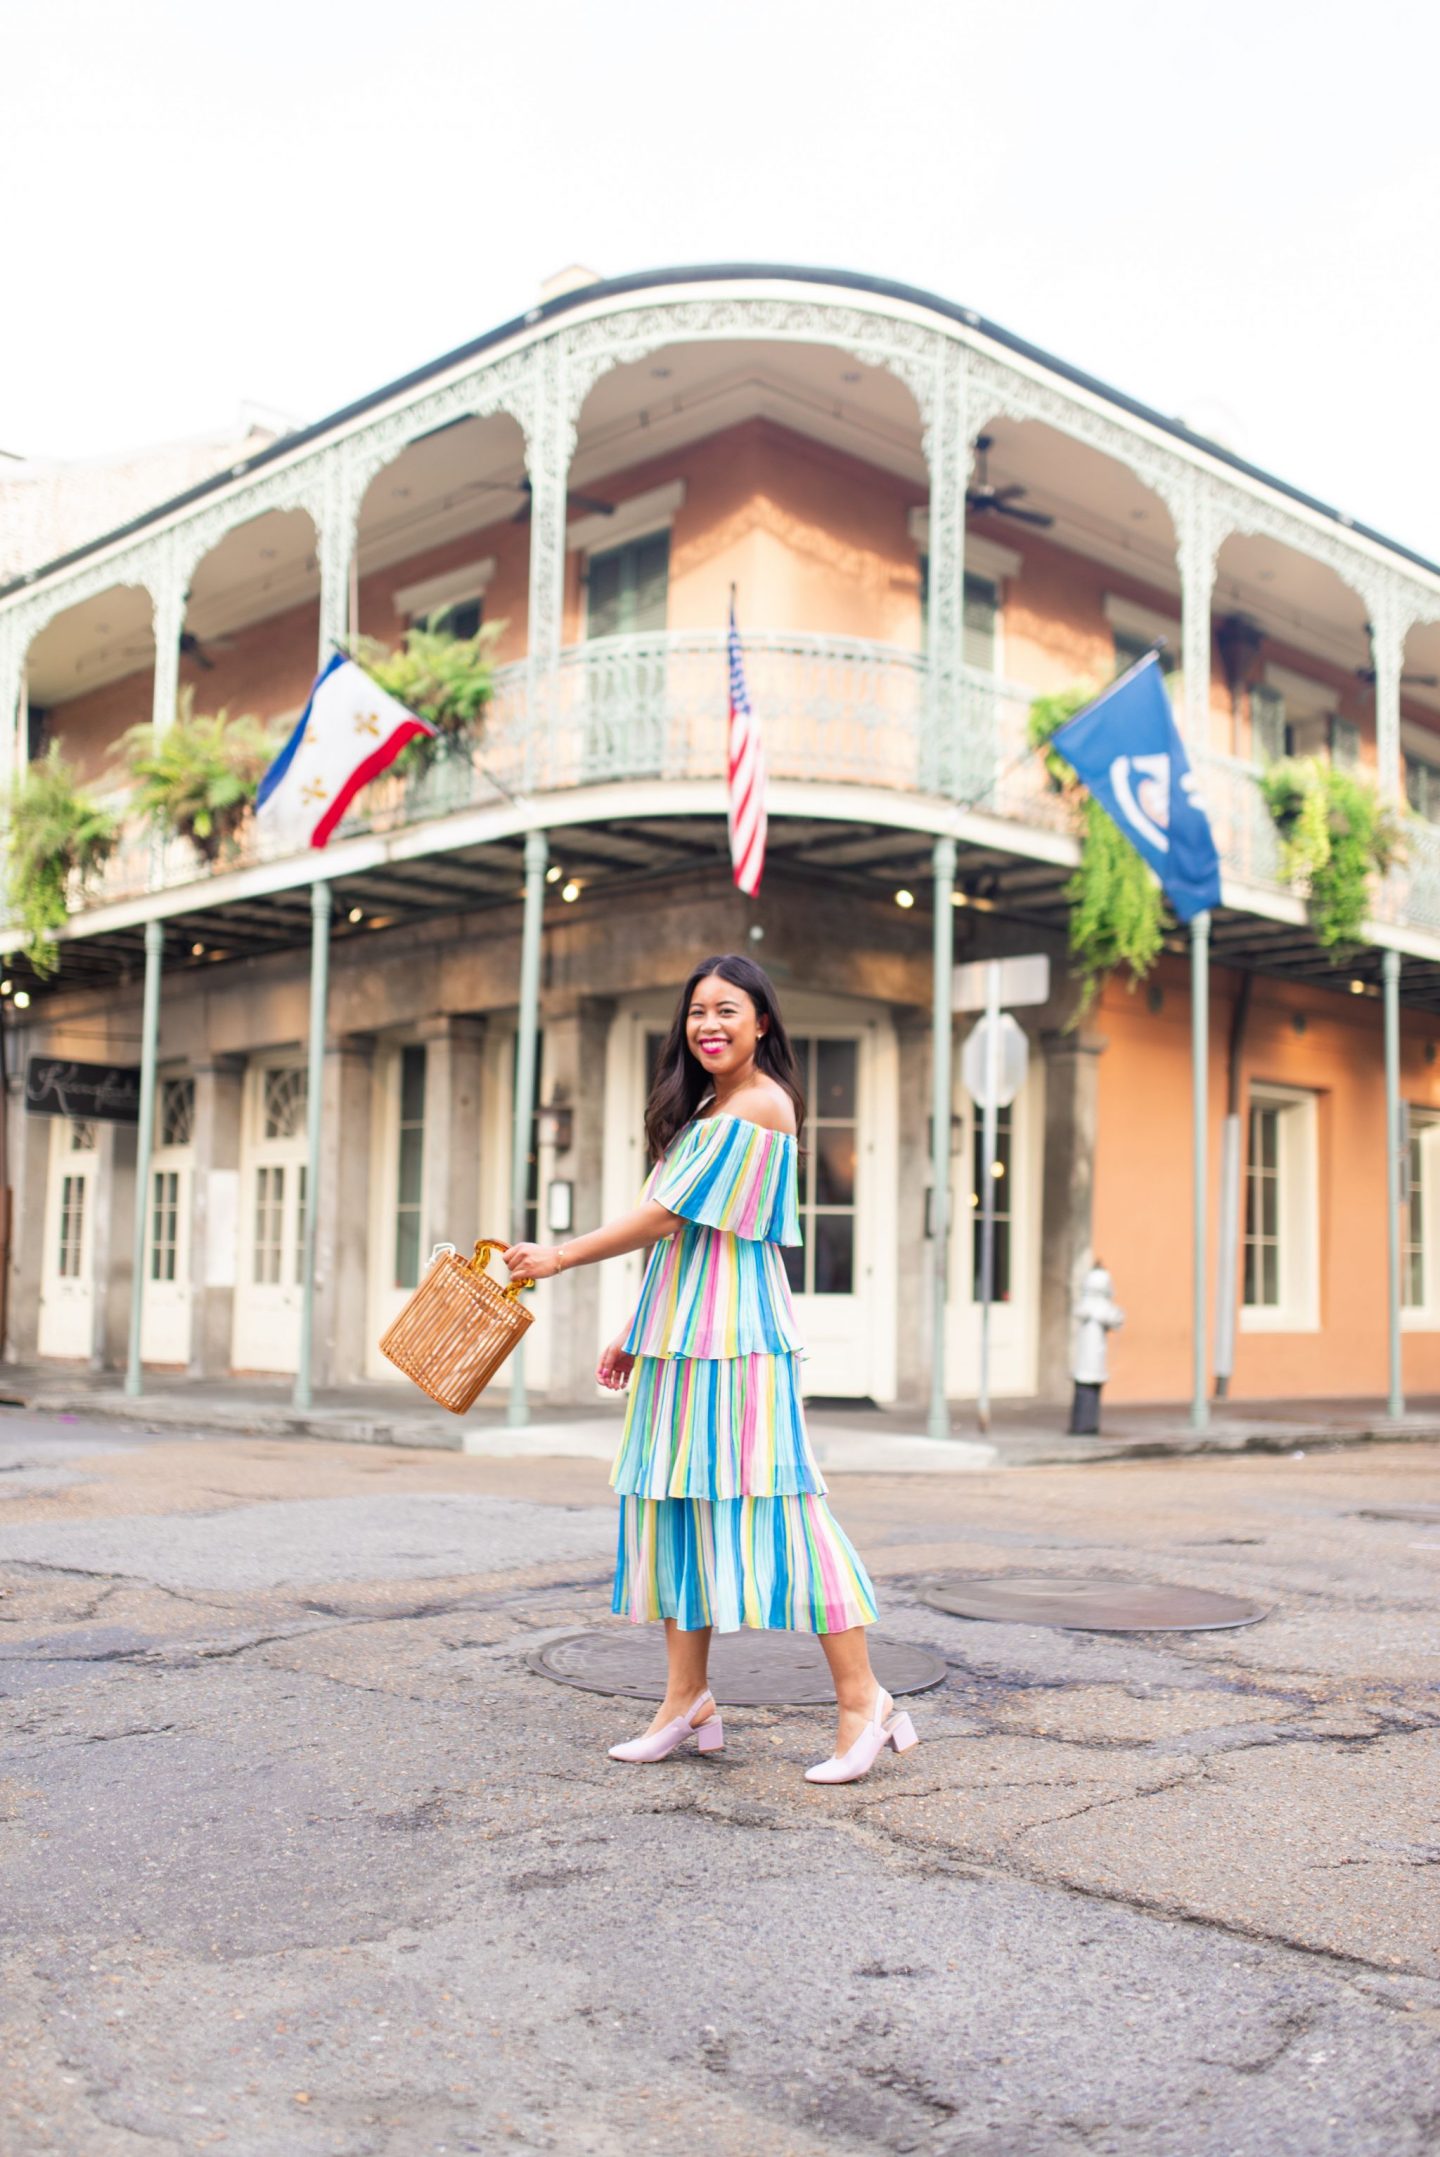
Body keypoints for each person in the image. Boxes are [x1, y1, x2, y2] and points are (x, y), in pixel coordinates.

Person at [504, 953, 918, 1786]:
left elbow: (660, 1213)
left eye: (728, 1009)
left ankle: (863, 1698)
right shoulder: (707, 1107)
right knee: (677, 1508)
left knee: (787, 1513)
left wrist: (559, 1254)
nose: (710, 1025)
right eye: (698, 1011)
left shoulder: (760, 1106)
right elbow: (684, 1238)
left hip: (738, 1343)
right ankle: (686, 1700)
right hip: (681, 1339)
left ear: (763, 1022)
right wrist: (637, 1325)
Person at [1069, 1261, 1125, 1435]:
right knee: (1085, 1391)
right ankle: (1083, 1426)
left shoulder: (1098, 1308)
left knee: (1091, 1390)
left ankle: (1088, 1425)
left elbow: (1116, 1319)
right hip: (1087, 1360)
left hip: (1095, 1358)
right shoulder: (1091, 1307)